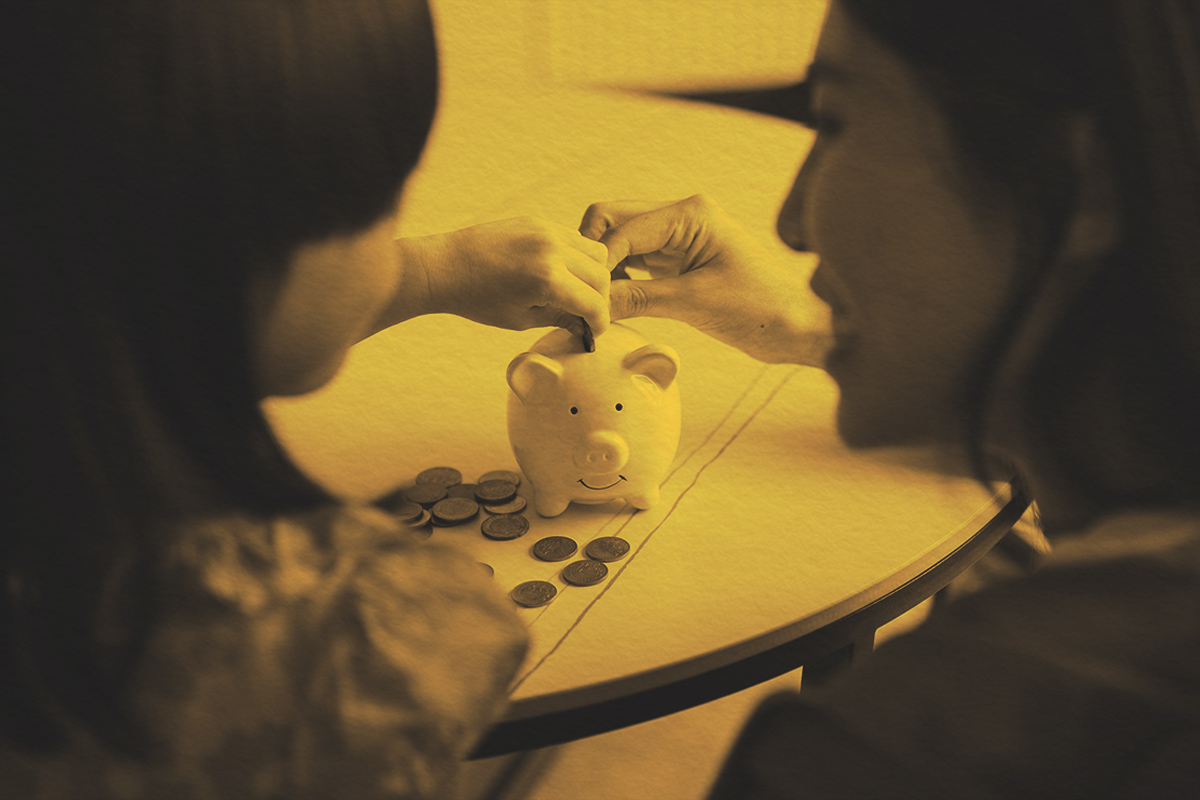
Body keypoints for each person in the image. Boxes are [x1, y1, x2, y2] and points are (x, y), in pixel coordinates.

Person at [580, 0, 1200, 796]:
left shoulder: (886, 752)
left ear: (1076, 184)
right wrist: (826, 330)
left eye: (834, 122)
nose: (794, 220)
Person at [0, 1, 609, 797]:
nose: (391, 247)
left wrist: (434, 271)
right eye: (388, 195)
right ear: (231, 242)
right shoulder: (365, 644)